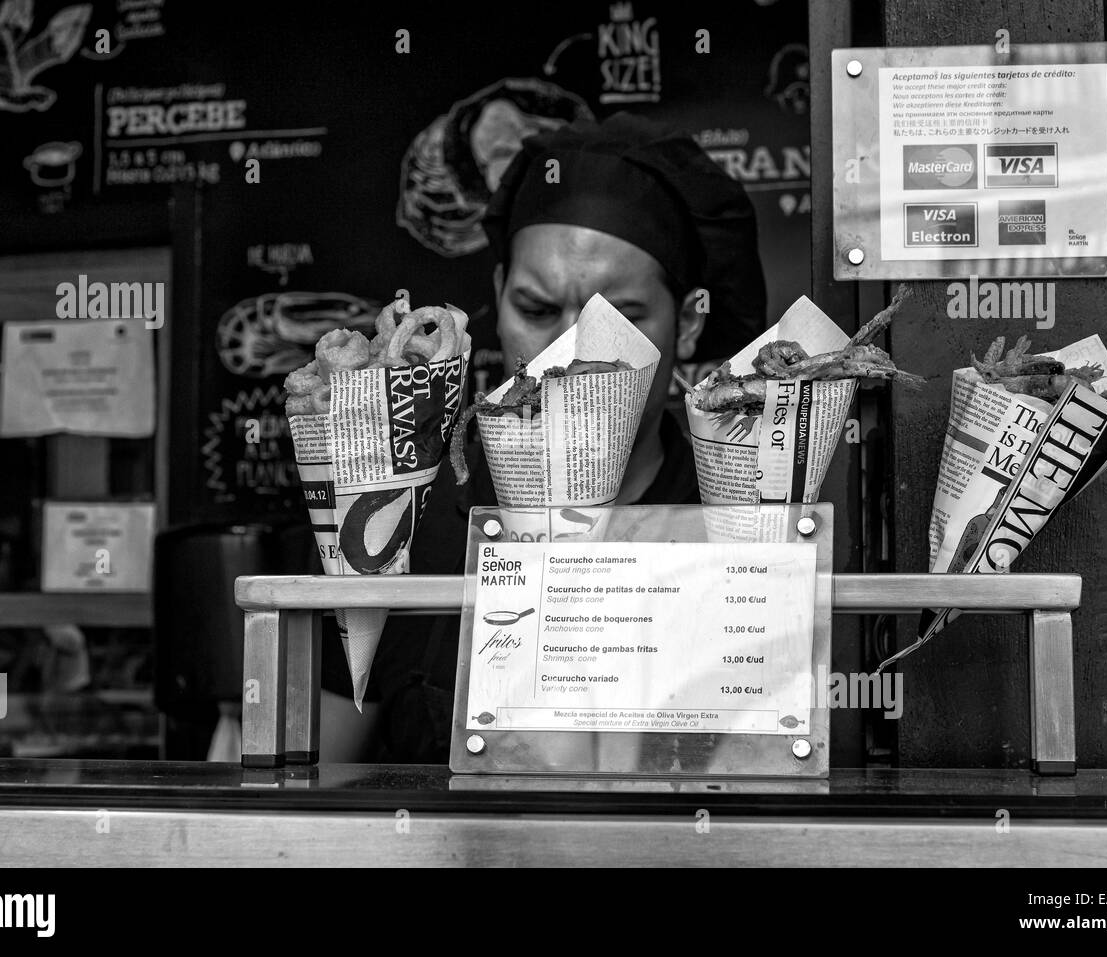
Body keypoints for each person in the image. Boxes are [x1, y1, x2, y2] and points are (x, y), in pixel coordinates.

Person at [318, 112, 769, 762]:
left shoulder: (743, 518)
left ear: (689, 324)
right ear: (497, 297)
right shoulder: (395, 510)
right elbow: (312, 786)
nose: (567, 351)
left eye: (615, 317)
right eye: (534, 310)